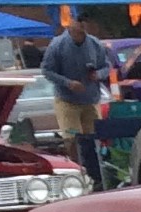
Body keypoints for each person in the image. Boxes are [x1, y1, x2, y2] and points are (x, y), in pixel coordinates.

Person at [40, 11, 113, 190]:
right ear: (70, 23)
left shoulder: (95, 44)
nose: (82, 26)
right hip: (67, 100)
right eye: (78, 21)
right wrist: (68, 83)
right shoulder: (57, 45)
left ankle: (96, 175)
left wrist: (99, 74)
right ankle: (75, 174)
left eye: (84, 22)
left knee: (92, 139)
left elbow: (107, 66)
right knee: (72, 138)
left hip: (90, 99)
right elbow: (47, 70)